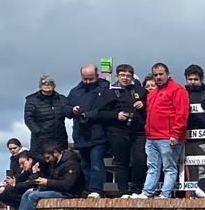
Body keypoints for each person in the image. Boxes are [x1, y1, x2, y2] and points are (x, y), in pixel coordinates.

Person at [0, 140, 85, 210]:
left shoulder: (71, 164)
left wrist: (47, 182)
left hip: (68, 193)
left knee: (33, 196)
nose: (47, 161)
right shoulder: (55, 163)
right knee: (28, 193)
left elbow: (68, 185)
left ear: (55, 153)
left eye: (48, 158)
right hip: (58, 189)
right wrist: (39, 180)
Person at [141, 63, 190, 199]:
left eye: (161, 74)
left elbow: (182, 114)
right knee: (152, 167)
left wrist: (175, 134)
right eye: (155, 75)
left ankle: (165, 194)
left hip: (168, 137)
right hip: (152, 136)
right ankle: (147, 192)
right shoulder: (152, 94)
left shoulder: (178, 90)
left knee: (169, 167)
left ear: (168, 74)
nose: (158, 77)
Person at [66, 64, 114, 196]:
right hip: (81, 134)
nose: (87, 82)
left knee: (96, 163)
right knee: (85, 165)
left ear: (97, 76)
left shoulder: (105, 89)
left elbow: (107, 109)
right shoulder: (75, 91)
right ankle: (88, 189)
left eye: (91, 78)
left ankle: (96, 190)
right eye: (85, 78)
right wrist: (72, 110)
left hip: (99, 133)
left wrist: (88, 115)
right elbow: (65, 109)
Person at [105, 64, 146, 196]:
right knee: (121, 162)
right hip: (118, 131)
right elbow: (100, 112)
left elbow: (151, 105)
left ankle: (136, 190)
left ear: (132, 77)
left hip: (138, 132)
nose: (125, 78)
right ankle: (123, 191)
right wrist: (116, 115)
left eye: (128, 76)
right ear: (117, 76)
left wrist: (144, 103)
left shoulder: (141, 91)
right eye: (122, 75)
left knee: (140, 161)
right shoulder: (109, 92)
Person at [23, 75, 70, 152]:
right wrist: (38, 132)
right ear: (40, 86)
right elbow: (28, 118)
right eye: (44, 83)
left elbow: (69, 113)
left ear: (54, 85)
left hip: (60, 139)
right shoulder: (32, 100)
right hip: (40, 140)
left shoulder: (61, 99)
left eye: (50, 83)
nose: (47, 85)